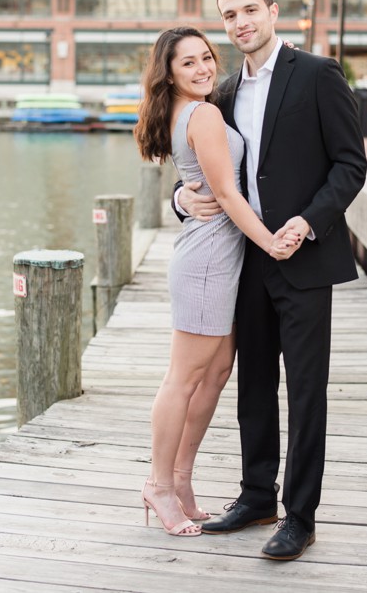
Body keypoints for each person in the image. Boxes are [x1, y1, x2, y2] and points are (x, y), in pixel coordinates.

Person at [174, 0, 367, 561]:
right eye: (229, 15)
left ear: (274, 12)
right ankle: (256, 495)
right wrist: (180, 200)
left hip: (304, 256)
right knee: (252, 383)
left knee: (306, 391)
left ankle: (299, 515)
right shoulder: (223, 93)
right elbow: (202, 172)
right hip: (245, 260)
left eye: (250, 10)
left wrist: (308, 222)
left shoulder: (318, 74)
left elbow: (350, 165)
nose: (241, 23)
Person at [134, 27, 298, 538]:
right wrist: (271, 242)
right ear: (170, 73)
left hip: (221, 258)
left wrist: (183, 199)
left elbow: (199, 184)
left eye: (207, 57)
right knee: (183, 378)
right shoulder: (202, 114)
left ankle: (181, 478)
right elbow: (227, 194)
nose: (204, 68)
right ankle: (159, 484)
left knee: (218, 370)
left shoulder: (198, 107)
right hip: (207, 258)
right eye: (189, 63)